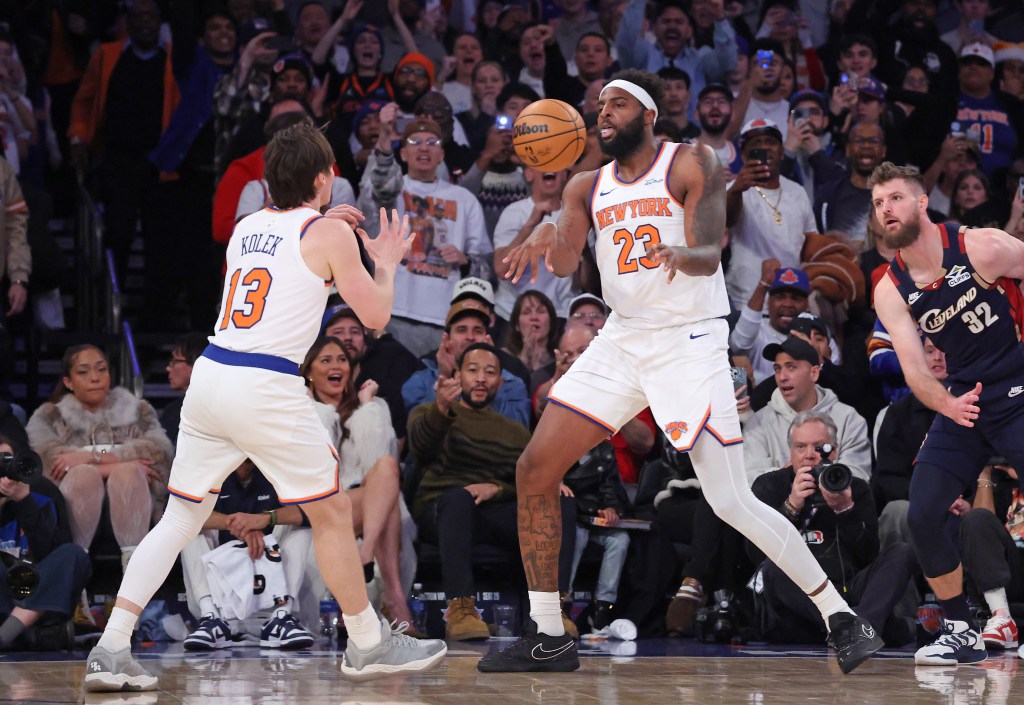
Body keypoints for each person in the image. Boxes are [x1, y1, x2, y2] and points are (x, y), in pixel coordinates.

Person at [477, 70, 881, 674]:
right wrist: (547, 225)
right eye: (598, 105)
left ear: (648, 114)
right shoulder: (585, 185)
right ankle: (548, 633)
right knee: (535, 467)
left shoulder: (691, 162)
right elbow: (564, 260)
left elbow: (708, 250)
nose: (602, 112)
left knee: (729, 499)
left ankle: (841, 616)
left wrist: (676, 253)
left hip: (688, 341)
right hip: (622, 338)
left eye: (615, 103)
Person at [81, 122, 446, 692]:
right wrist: (387, 259)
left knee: (182, 518)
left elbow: (290, 283)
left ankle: (110, 648)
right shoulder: (327, 235)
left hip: (212, 376)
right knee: (328, 513)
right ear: (325, 178)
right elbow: (373, 318)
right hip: (265, 386)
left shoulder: (248, 226)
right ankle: (369, 644)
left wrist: (332, 234)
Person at [870, 160, 1024, 666]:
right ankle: (960, 627)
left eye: (894, 198)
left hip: (1017, 384)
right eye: (877, 203)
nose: (885, 209)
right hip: (965, 400)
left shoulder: (981, 245)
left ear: (920, 203)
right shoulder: (889, 287)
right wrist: (947, 403)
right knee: (922, 509)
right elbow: (914, 371)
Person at [407, 342, 577, 641]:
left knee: (558, 502)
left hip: (494, 513)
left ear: (501, 381)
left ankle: (552, 609)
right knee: (459, 497)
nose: (482, 378)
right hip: (443, 511)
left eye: (490, 372)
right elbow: (420, 451)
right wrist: (441, 409)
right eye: (473, 371)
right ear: (458, 375)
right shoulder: (429, 412)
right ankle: (461, 610)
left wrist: (496, 488)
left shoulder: (514, 431)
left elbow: (529, 480)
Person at [748, 412, 917, 646]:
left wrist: (845, 510)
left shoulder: (854, 487)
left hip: (848, 589)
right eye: (800, 447)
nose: (809, 455)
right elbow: (755, 555)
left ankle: (854, 630)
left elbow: (868, 555)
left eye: (819, 447)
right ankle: (859, 629)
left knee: (901, 552)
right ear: (790, 451)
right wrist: (791, 507)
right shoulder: (769, 485)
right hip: (801, 602)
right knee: (773, 568)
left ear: (834, 450)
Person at [26, 344, 174, 569]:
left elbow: (158, 455)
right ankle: (73, 576)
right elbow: (46, 465)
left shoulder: (139, 411)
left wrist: (88, 458)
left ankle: (134, 575)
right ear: (68, 382)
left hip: (135, 504)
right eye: (83, 372)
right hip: (73, 507)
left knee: (127, 473)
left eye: (101, 369)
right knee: (86, 476)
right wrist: (120, 461)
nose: (94, 378)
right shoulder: (50, 416)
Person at [301, 336, 414, 626]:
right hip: (317, 506)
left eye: (341, 360)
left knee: (389, 467)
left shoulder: (372, 409)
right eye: (325, 360)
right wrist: (322, 413)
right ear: (309, 372)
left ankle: (367, 557)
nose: (336, 365)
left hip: (365, 506)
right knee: (386, 502)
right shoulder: (300, 412)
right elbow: (317, 472)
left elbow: (377, 464)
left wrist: (367, 410)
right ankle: (395, 599)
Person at [179, 459, 316, 650]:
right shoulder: (209, 466)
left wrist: (265, 519)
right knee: (188, 528)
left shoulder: (277, 466)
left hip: (267, 601)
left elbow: (312, 512)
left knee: (301, 527)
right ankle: (211, 619)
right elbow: (182, 513)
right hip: (223, 604)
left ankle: (281, 617)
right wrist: (238, 524)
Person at [0, 437, 91, 652]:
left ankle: (8, 635)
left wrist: (24, 501)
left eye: (7, 460)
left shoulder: (39, 490)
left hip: (39, 589)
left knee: (73, 555)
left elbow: (52, 552)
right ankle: (25, 634)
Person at [744, 335, 872, 484]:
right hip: (777, 506)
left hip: (836, 505)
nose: (782, 377)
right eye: (778, 369)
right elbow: (750, 478)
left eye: (791, 367)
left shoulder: (849, 419)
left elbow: (859, 477)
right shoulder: (757, 423)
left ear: (814, 373)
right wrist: (791, 476)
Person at [159, 333, 208, 446]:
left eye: (175, 361)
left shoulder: (216, 411)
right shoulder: (172, 410)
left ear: (196, 365)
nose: (168, 368)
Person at [503, 290, 558, 376]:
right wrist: (524, 359)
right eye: (526, 312)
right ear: (517, 325)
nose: (534, 317)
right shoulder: (504, 357)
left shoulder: (560, 359)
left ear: (551, 322)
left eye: (540, 311)